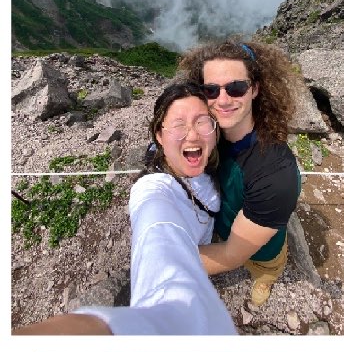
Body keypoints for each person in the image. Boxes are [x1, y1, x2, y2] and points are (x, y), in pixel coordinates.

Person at [14, 82, 236, 335]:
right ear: (159, 136)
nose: (193, 134)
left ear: (215, 130)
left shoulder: (211, 162)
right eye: (178, 124)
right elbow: (159, 236)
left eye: (202, 122)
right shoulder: (153, 190)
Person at [177, 38, 303, 308]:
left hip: (262, 250)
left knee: (264, 264)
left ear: (255, 89)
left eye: (236, 88)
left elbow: (233, 254)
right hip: (225, 224)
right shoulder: (209, 135)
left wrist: (165, 262)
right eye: (210, 90)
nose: (222, 100)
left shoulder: (276, 174)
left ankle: (266, 278)